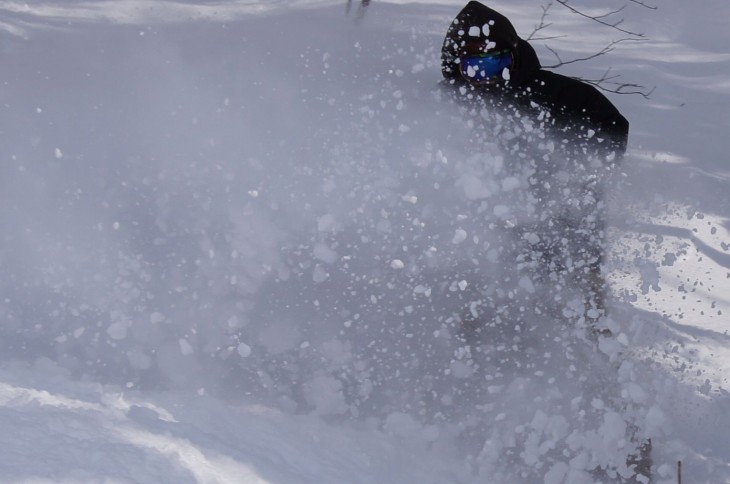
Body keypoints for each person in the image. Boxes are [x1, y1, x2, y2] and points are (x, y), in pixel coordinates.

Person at [441, 1, 630, 333]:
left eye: (495, 64)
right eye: (475, 69)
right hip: (487, 239)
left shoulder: (556, 93)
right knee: (475, 313)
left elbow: (611, 128)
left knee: (584, 317)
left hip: (568, 233)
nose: (486, 79)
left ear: (513, 57)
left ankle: (602, 368)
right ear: (457, 68)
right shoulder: (445, 105)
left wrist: (568, 170)